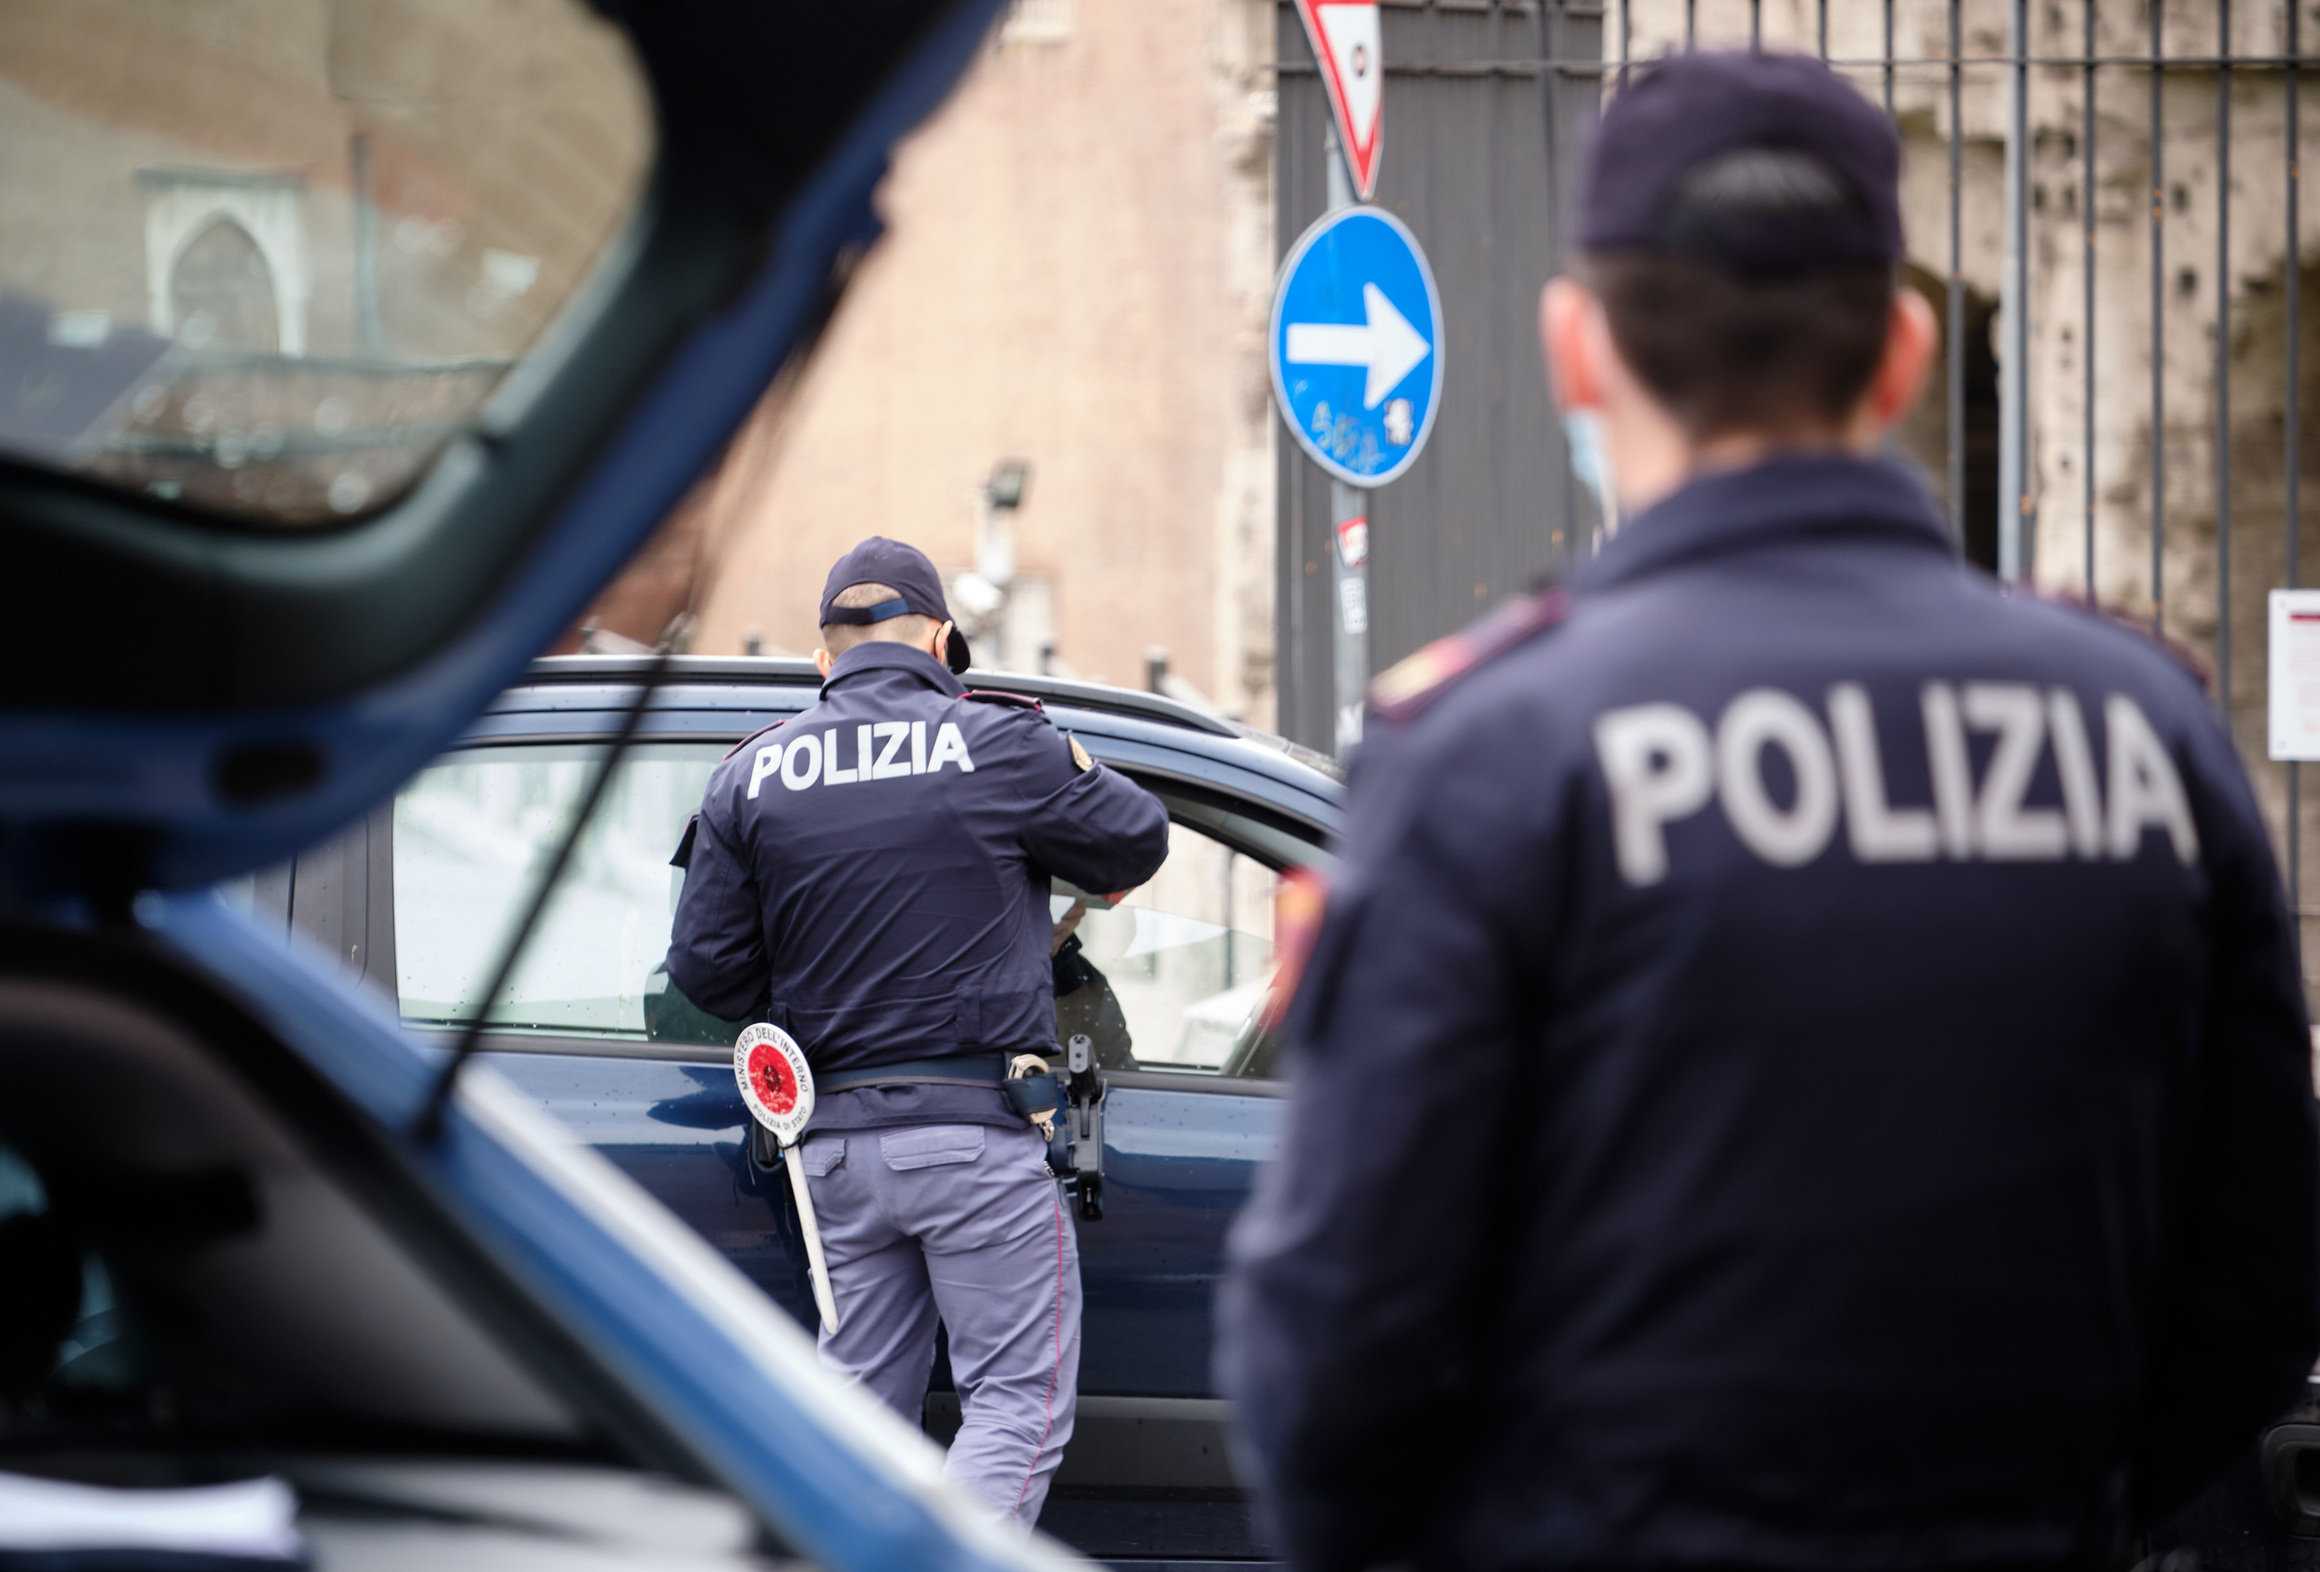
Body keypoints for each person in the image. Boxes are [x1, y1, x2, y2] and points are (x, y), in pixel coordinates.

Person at [1220, 51, 2320, 1572]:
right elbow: (2261, 1279)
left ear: (1576, 353)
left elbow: (1333, 1353)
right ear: (1903, 353)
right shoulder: (2148, 733)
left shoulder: (1495, 750)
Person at [667, 536, 1169, 1525]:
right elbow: (1136, 837)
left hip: (837, 1154)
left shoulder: (750, 774)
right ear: (941, 640)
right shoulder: (998, 743)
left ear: (825, 658)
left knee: (859, 1422)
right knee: (1015, 1401)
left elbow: (707, 970)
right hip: (978, 1136)